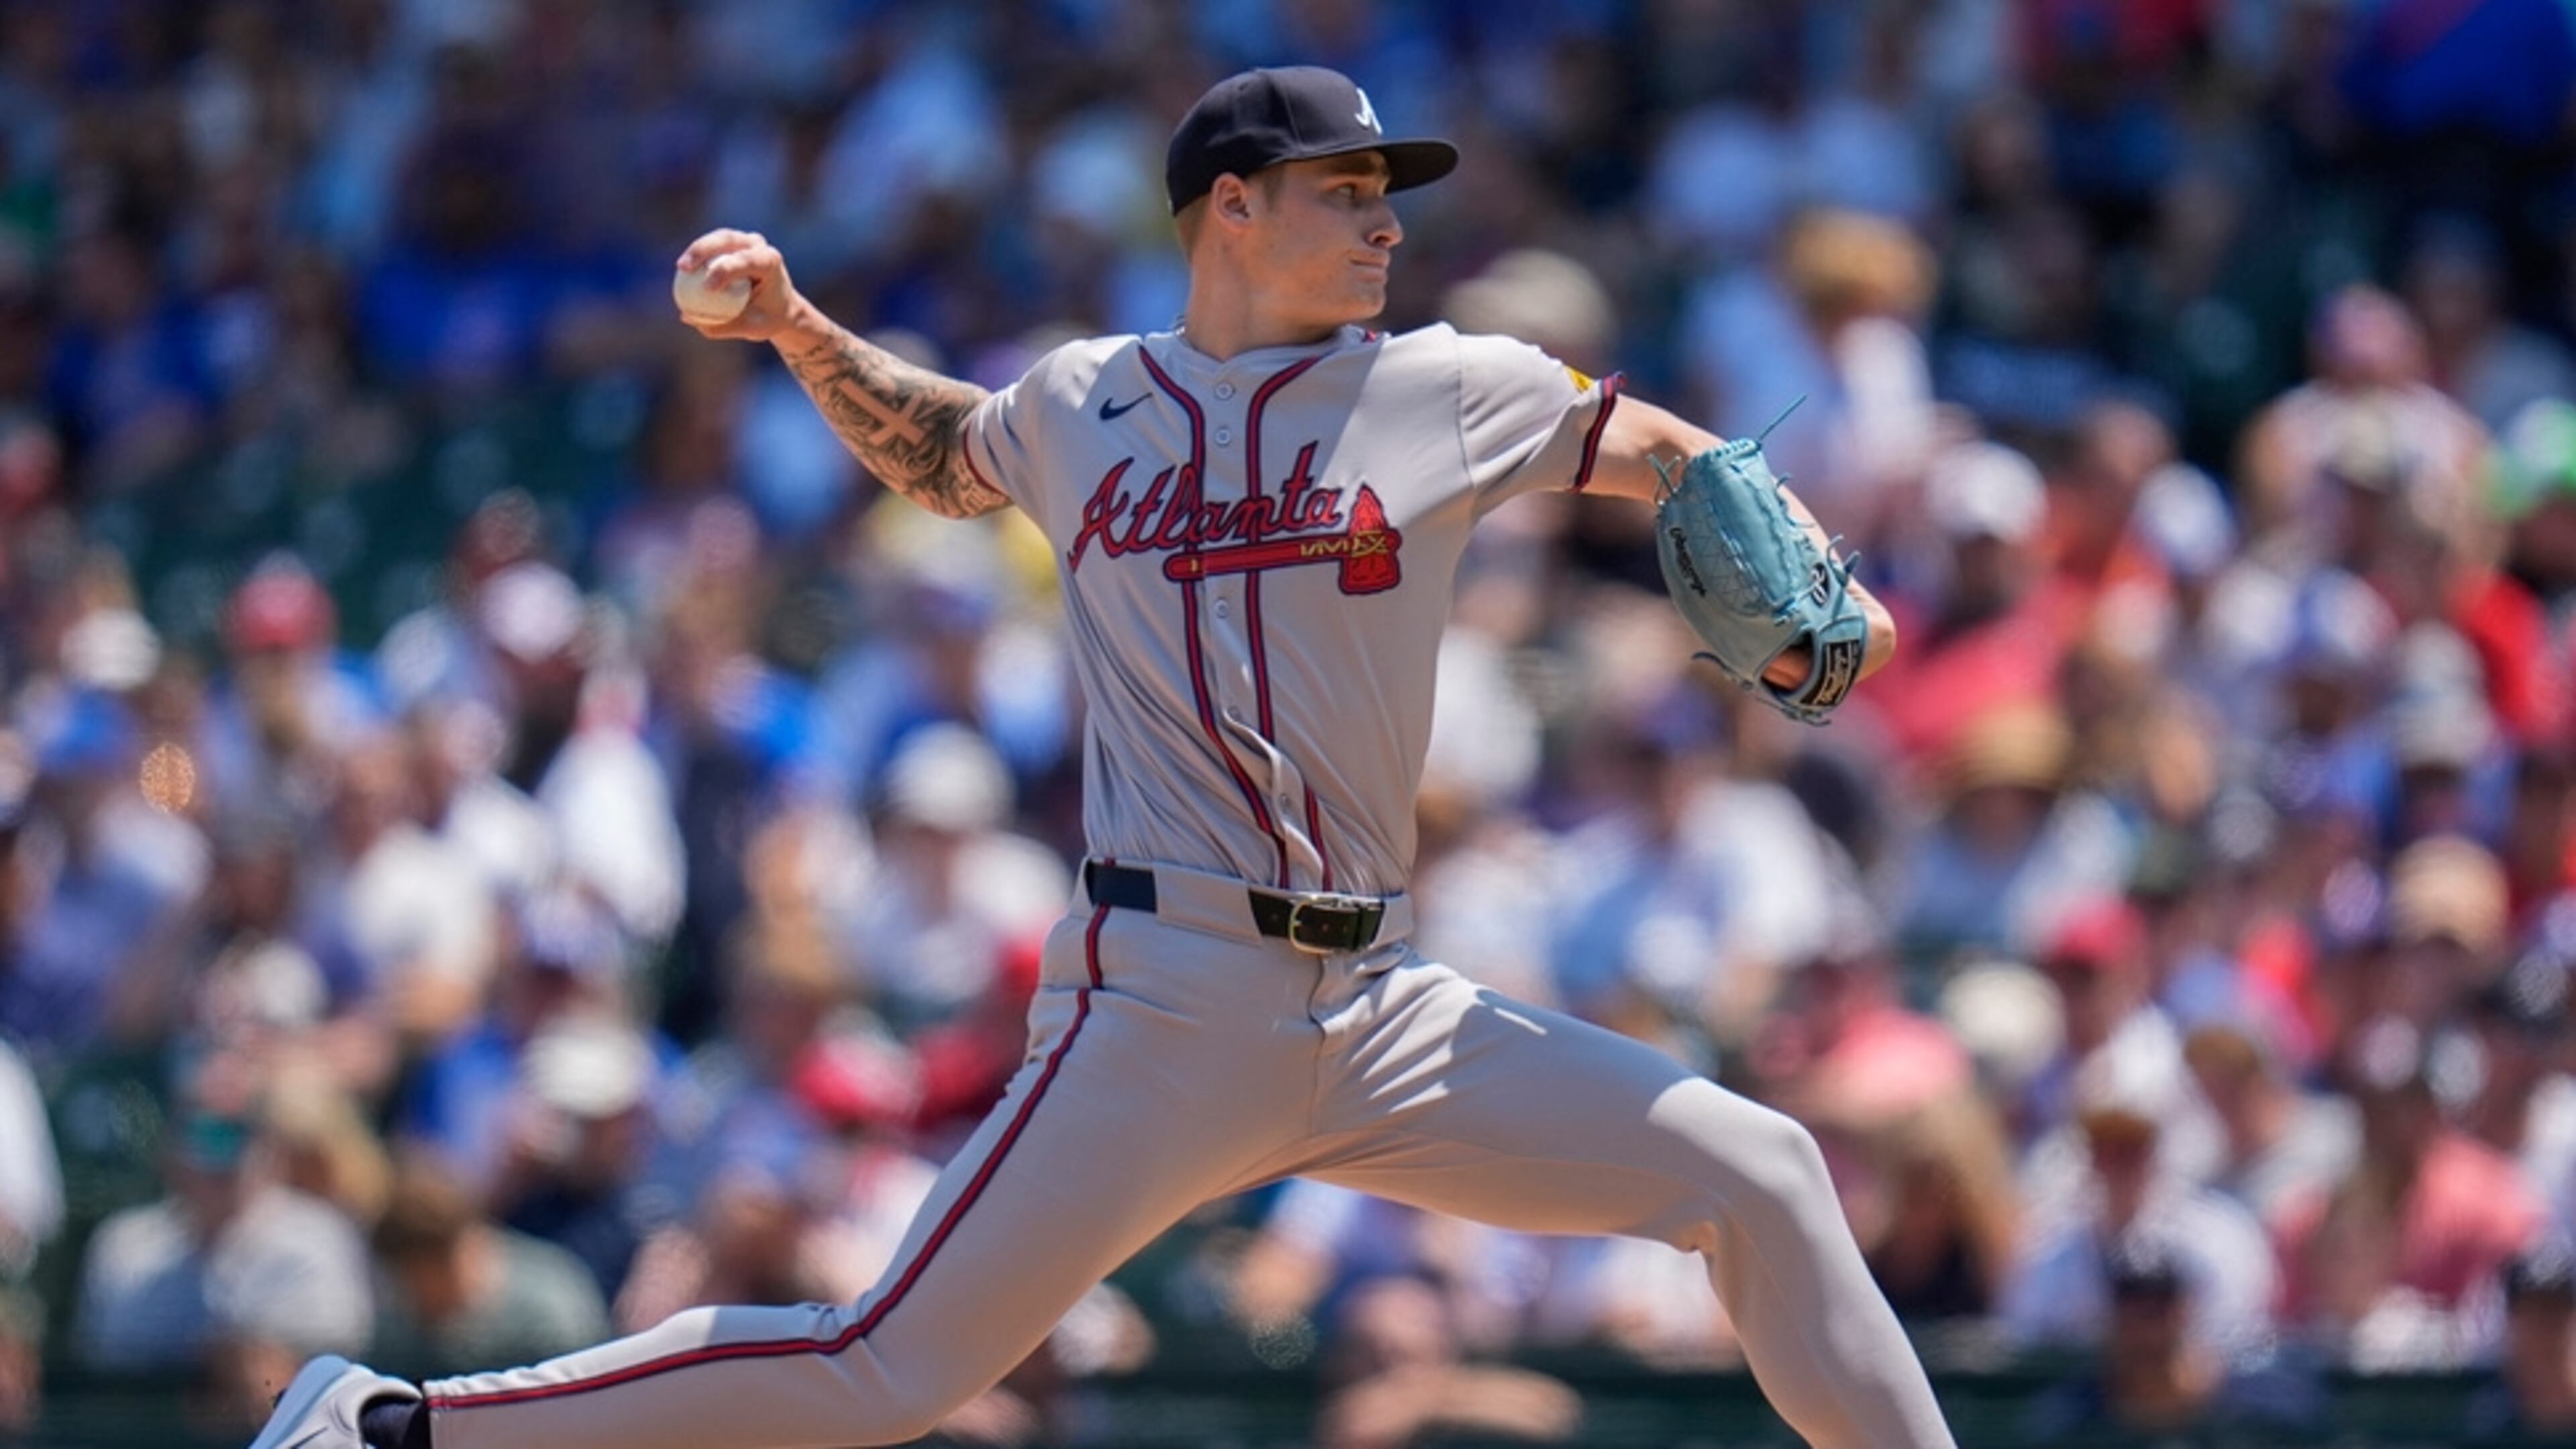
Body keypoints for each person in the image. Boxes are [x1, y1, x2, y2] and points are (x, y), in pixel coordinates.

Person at [250, 65, 1951, 1449]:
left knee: (1760, 1173)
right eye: (1344, 192)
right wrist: (791, 327)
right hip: (1167, 996)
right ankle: (399, 1430)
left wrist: (1800, 553)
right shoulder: (1085, 401)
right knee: (884, 1370)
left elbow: (1666, 447)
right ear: (1231, 207)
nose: (1382, 226)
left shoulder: (1449, 387)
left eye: (1388, 197)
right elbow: (942, 450)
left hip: (1384, 1006)